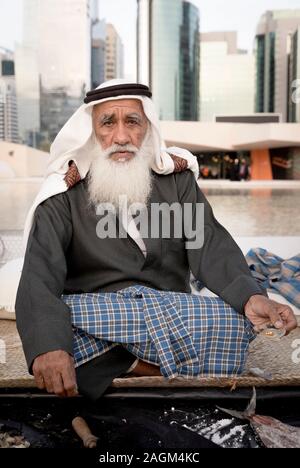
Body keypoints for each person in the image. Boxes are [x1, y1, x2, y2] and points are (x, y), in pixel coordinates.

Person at [15, 79, 297, 401]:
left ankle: (121, 362)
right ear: (92, 130)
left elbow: (208, 244)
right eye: (108, 122)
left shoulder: (176, 180)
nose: (121, 137)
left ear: (147, 126)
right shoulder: (64, 192)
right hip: (100, 315)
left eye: (132, 121)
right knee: (53, 325)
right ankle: (156, 363)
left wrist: (250, 297)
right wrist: (49, 345)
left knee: (234, 320)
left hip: (171, 309)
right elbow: (39, 272)